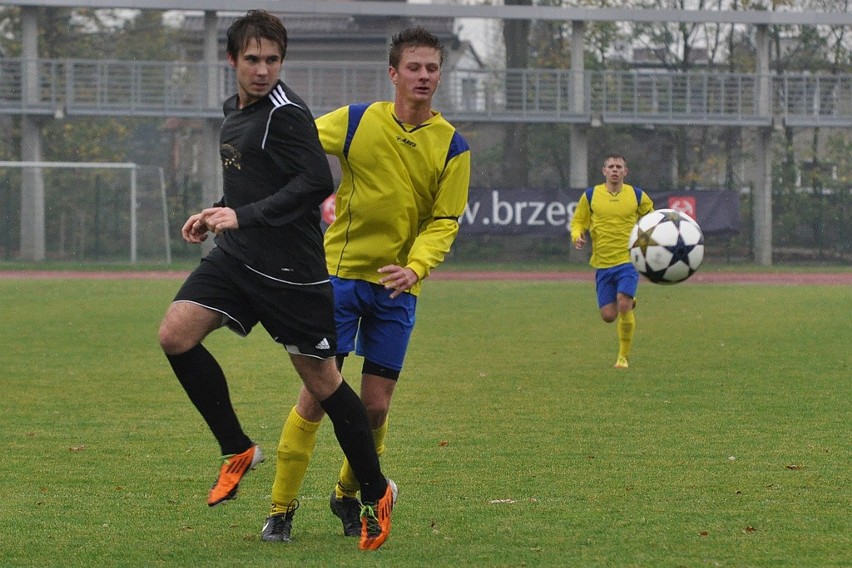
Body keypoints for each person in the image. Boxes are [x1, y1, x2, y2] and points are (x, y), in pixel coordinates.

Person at [157, 10, 395, 552]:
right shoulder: (232, 113)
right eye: (252, 59)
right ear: (232, 61)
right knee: (175, 335)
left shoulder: (286, 115)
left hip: (291, 273)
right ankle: (237, 449)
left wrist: (243, 216)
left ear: (281, 62)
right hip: (238, 259)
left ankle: (375, 491)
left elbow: (316, 182)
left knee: (324, 385)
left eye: (272, 60)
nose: (262, 70)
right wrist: (215, 211)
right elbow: (249, 188)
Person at [262, 27, 471, 542]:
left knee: (375, 407)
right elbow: (297, 144)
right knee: (317, 396)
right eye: (415, 67)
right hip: (337, 280)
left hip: (398, 290)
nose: (424, 76)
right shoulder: (358, 121)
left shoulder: (453, 146)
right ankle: (281, 510)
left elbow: (445, 219)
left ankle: (346, 494)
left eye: (432, 68)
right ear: (394, 73)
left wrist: (417, 266)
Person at [570, 154, 654, 369]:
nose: (615, 170)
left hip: (629, 260)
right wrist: (577, 235)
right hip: (602, 263)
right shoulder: (591, 196)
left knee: (623, 306)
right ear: (604, 171)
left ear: (625, 172)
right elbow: (578, 222)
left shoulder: (636, 196)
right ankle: (628, 300)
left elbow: (654, 220)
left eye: (619, 167)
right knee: (608, 316)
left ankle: (623, 357)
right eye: (611, 166)